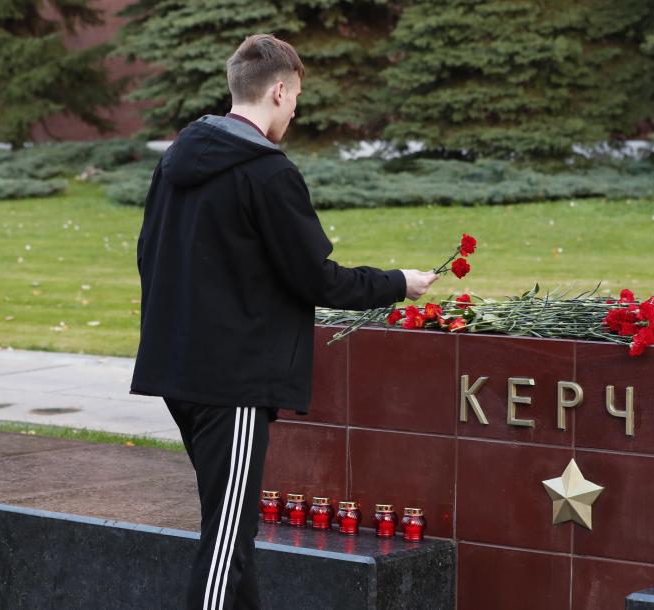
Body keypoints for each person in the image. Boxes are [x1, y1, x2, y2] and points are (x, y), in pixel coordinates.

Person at [130, 34, 438, 610]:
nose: (295, 111)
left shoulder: (175, 160)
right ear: (277, 90)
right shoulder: (268, 173)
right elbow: (317, 279)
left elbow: (149, 255)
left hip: (178, 372)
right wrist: (399, 282)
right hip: (234, 384)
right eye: (295, 98)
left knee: (231, 533)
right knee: (227, 545)